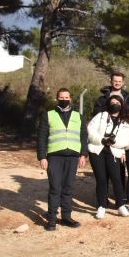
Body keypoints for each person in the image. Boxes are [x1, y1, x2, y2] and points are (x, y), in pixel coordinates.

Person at [37, 88, 88, 230]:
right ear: (57, 98)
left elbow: (84, 136)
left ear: (70, 98)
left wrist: (83, 154)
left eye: (66, 97)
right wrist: (42, 157)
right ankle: (52, 219)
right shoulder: (48, 115)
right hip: (54, 156)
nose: (64, 99)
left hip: (72, 156)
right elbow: (41, 137)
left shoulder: (79, 116)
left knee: (68, 188)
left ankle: (66, 217)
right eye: (61, 97)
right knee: (55, 187)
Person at [87, 93, 129, 219]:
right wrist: (102, 140)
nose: (115, 106)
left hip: (114, 151)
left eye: (117, 103)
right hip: (98, 150)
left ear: (122, 105)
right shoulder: (100, 116)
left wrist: (114, 142)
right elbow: (90, 130)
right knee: (101, 179)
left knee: (116, 178)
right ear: (108, 105)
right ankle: (102, 206)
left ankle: (120, 205)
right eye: (112, 103)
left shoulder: (125, 121)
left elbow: (126, 139)